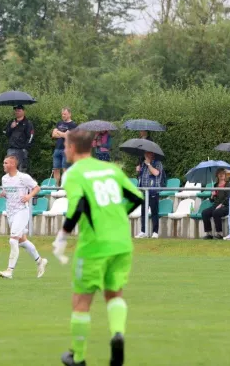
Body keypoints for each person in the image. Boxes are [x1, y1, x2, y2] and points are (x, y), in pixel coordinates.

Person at [51, 128, 143, 366]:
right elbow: (137, 197)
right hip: (122, 241)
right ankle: (117, 334)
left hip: (95, 245)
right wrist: (115, 217)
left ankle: (78, 358)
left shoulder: (73, 174)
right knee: (114, 293)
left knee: (81, 301)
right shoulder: (111, 169)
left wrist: (63, 236)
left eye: (65, 146)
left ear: (71, 148)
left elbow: (79, 205)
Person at [0, 155, 47, 279]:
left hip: (21, 211)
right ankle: (40, 261)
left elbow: (37, 188)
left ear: (13, 164)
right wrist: (3, 194)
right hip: (11, 212)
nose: (3, 165)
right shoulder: (4, 178)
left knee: (13, 239)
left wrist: (29, 197)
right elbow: (8, 192)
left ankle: (9, 270)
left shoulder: (23, 177)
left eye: (6, 163)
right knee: (22, 241)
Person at [135, 151, 163, 239]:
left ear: (152, 154)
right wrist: (138, 170)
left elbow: (156, 173)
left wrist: (148, 164)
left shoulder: (158, 163)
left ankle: (155, 232)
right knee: (143, 212)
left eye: (148, 154)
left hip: (153, 192)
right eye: (145, 154)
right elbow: (140, 176)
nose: (146, 156)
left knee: (154, 212)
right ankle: (143, 231)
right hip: (144, 192)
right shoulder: (142, 163)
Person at [201, 169, 230, 239]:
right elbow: (211, 200)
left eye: (223, 173)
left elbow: (229, 198)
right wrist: (212, 195)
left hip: (226, 206)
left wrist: (221, 205)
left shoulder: (228, 185)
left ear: (225, 175)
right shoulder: (215, 185)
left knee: (216, 212)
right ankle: (209, 233)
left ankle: (219, 234)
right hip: (216, 205)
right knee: (204, 213)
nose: (221, 175)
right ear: (217, 175)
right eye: (219, 173)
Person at [4, 105, 34, 172]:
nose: (17, 112)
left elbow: (31, 136)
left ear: (23, 111)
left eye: (19, 110)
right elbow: (6, 133)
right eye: (16, 110)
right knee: (9, 169)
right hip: (11, 149)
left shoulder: (28, 123)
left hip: (21, 150)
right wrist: (11, 127)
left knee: (21, 170)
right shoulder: (11, 122)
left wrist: (25, 148)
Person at [52, 107, 77, 185]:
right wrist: (63, 134)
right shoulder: (59, 123)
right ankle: (56, 188)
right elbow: (53, 135)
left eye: (65, 114)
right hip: (57, 149)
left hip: (67, 150)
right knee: (56, 169)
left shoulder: (73, 124)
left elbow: (68, 136)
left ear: (69, 114)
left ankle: (64, 189)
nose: (63, 115)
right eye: (62, 114)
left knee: (65, 169)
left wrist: (58, 133)